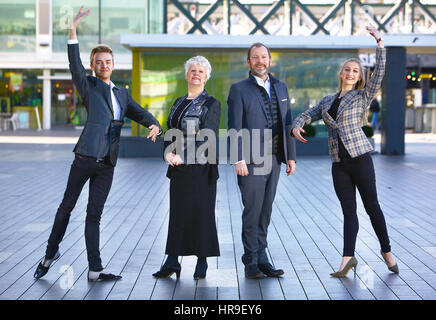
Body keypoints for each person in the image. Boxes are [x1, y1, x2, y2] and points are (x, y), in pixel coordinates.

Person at [34, 6, 162, 282]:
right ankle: (49, 254)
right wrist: (72, 30)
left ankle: (95, 269)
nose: (104, 65)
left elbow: (141, 113)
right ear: (93, 66)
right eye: (99, 62)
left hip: (107, 164)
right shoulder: (88, 85)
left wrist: (154, 124)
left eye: (108, 61)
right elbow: (73, 63)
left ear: (114, 64)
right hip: (84, 158)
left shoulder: (122, 94)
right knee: (66, 208)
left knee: (95, 215)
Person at [291, 26, 398, 278]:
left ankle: (387, 251)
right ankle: (347, 259)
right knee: (348, 211)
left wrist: (380, 43)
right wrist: (297, 125)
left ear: (359, 76)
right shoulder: (327, 100)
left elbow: (380, 72)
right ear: (341, 73)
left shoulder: (363, 96)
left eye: (355, 71)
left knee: (372, 207)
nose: (350, 73)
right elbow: (309, 114)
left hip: (360, 159)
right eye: (347, 69)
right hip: (339, 163)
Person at [227, 43, 296, 279]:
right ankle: (251, 261)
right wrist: (238, 158)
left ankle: (263, 258)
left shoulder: (281, 86)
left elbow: (288, 122)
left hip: (275, 158)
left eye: (263, 57)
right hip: (251, 160)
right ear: (248, 62)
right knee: (253, 210)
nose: (260, 61)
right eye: (255, 57)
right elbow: (234, 127)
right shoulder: (238, 89)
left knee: (265, 211)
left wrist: (291, 157)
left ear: (270, 60)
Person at [153, 56, 221, 280]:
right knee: (178, 214)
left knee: (201, 213)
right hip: (179, 168)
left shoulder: (211, 103)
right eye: (192, 70)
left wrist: (184, 155)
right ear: (186, 75)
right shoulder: (177, 101)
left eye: (200, 71)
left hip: (202, 168)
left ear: (206, 76)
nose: (196, 74)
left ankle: (202, 262)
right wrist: (168, 153)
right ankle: (172, 261)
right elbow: (170, 129)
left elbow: (208, 136)